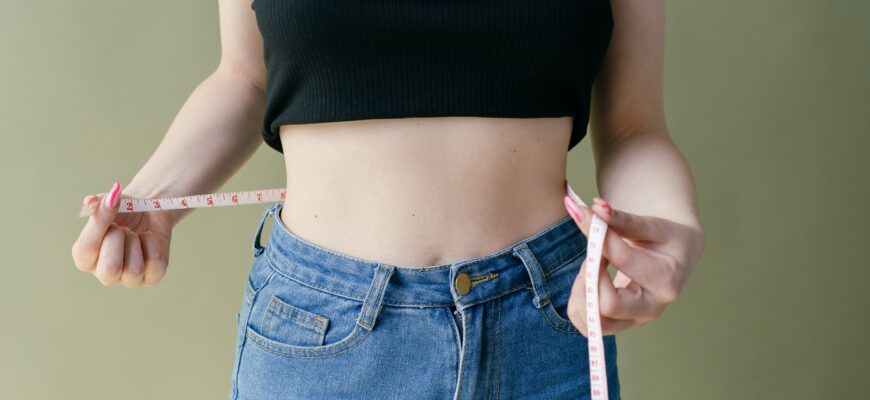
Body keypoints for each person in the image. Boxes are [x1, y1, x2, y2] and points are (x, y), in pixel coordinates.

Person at [71, 0, 705, 399]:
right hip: (322, 332)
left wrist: (671, 233)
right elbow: (244, 76)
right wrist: (154, 198)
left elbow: (633, 127)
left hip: (544, 324)